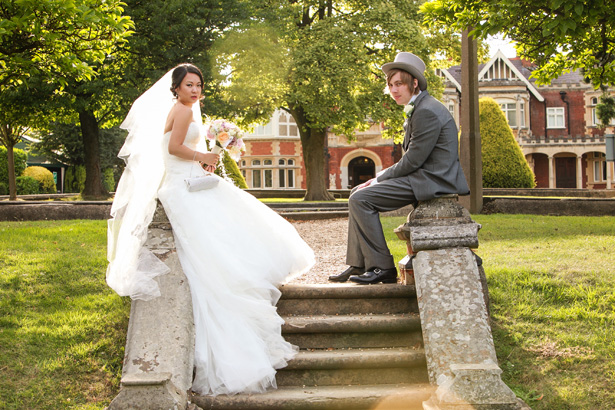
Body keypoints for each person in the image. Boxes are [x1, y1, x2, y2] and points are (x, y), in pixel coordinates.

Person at [106, 64, 315, 396]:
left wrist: (205, 158)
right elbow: (174, 148)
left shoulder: (186, 110)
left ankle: (245, 266)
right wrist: (203, 154)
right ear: (175, 87)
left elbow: (179, 151)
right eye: (189, 84)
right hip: (178, 185)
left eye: (199, 85)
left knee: (231, 208)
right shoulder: (182, 111)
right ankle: (245, 268)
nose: (195, 90)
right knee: (232, 208)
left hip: (185, 178)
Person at [329, 52, 469, 285]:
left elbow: (413, 160)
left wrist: (378, 178)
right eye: (391, 85)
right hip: (424, 175)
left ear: (414, 83)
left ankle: (382, 267)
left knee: (361, 199)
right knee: (356, 194)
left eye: (399, 84)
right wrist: (378, 179)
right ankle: (360, 262)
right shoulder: (421, 107)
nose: (394, 90)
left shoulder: (426, 111)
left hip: (433, 180)